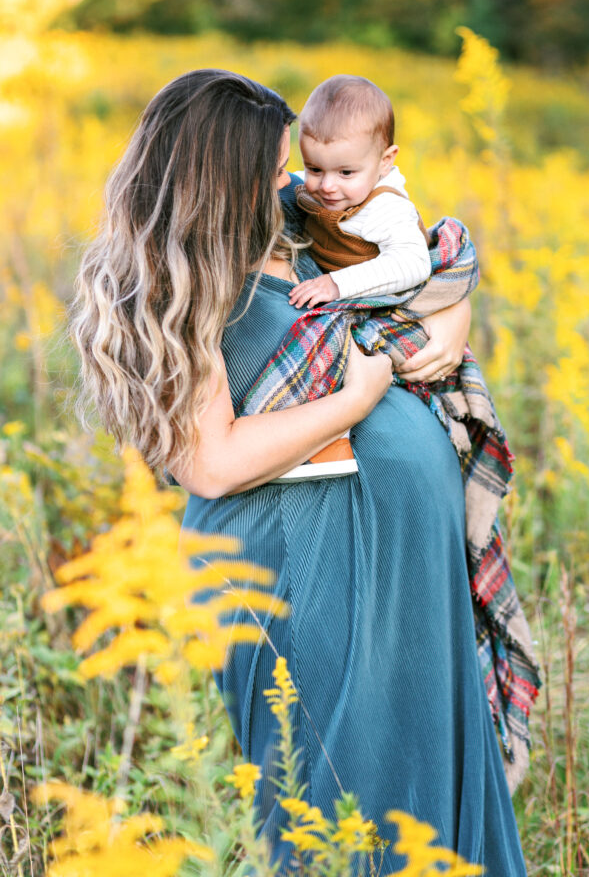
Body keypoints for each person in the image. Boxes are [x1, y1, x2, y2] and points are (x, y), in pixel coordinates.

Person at [71, 69, 527, 875]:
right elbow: (208, 464)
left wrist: (451, 319)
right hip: (297, 567)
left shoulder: (295, 228)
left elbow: (417, 268)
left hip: (398, 566)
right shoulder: (184, 287)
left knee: (415, 784)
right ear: (223, 177)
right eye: (275, 169)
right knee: (328, 804)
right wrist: (353, 403)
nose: (295, 182)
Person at [288, 74, 432, 310]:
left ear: (384, 161)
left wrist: (336, 284)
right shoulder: (317, 185)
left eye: (345, 173)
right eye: (314, 168)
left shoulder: (385, 208)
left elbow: (414, 263)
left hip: (380, 302)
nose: (326, 186)